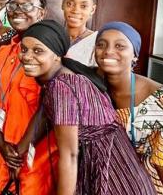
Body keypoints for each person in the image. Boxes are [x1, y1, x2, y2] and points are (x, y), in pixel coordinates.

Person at [18, 20, 155, 194]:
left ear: (56, 55)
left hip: (112, 175)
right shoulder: (69, 75)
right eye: (23, 49)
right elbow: (44, 113)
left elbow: (70, 155)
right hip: (122, 167)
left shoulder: (61, 87)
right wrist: (20, 150)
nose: (27, 56)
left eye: (38, 50)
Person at [95, 22, 163, 195]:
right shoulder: (90, 83)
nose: (108, 51)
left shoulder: (157, 99)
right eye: (101, 44)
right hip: (108, 178)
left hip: (148, 184)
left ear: (135, 56)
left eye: (120, 46)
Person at [0, 0, 55, 195]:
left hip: (34, 154)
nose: (17, 10)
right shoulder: (5, 51)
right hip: (3, 150)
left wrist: (20, 151)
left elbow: (48, 107)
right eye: (13, 5)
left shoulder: (50, 55)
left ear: (41, 13)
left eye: (26, 6)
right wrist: (1, 143)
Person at [62, 0, 98, 67]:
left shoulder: (96, 41)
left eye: (83, 6)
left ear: (92, 10)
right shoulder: (52, 36)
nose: (75, 10)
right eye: (70, 4)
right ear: (62, 4)